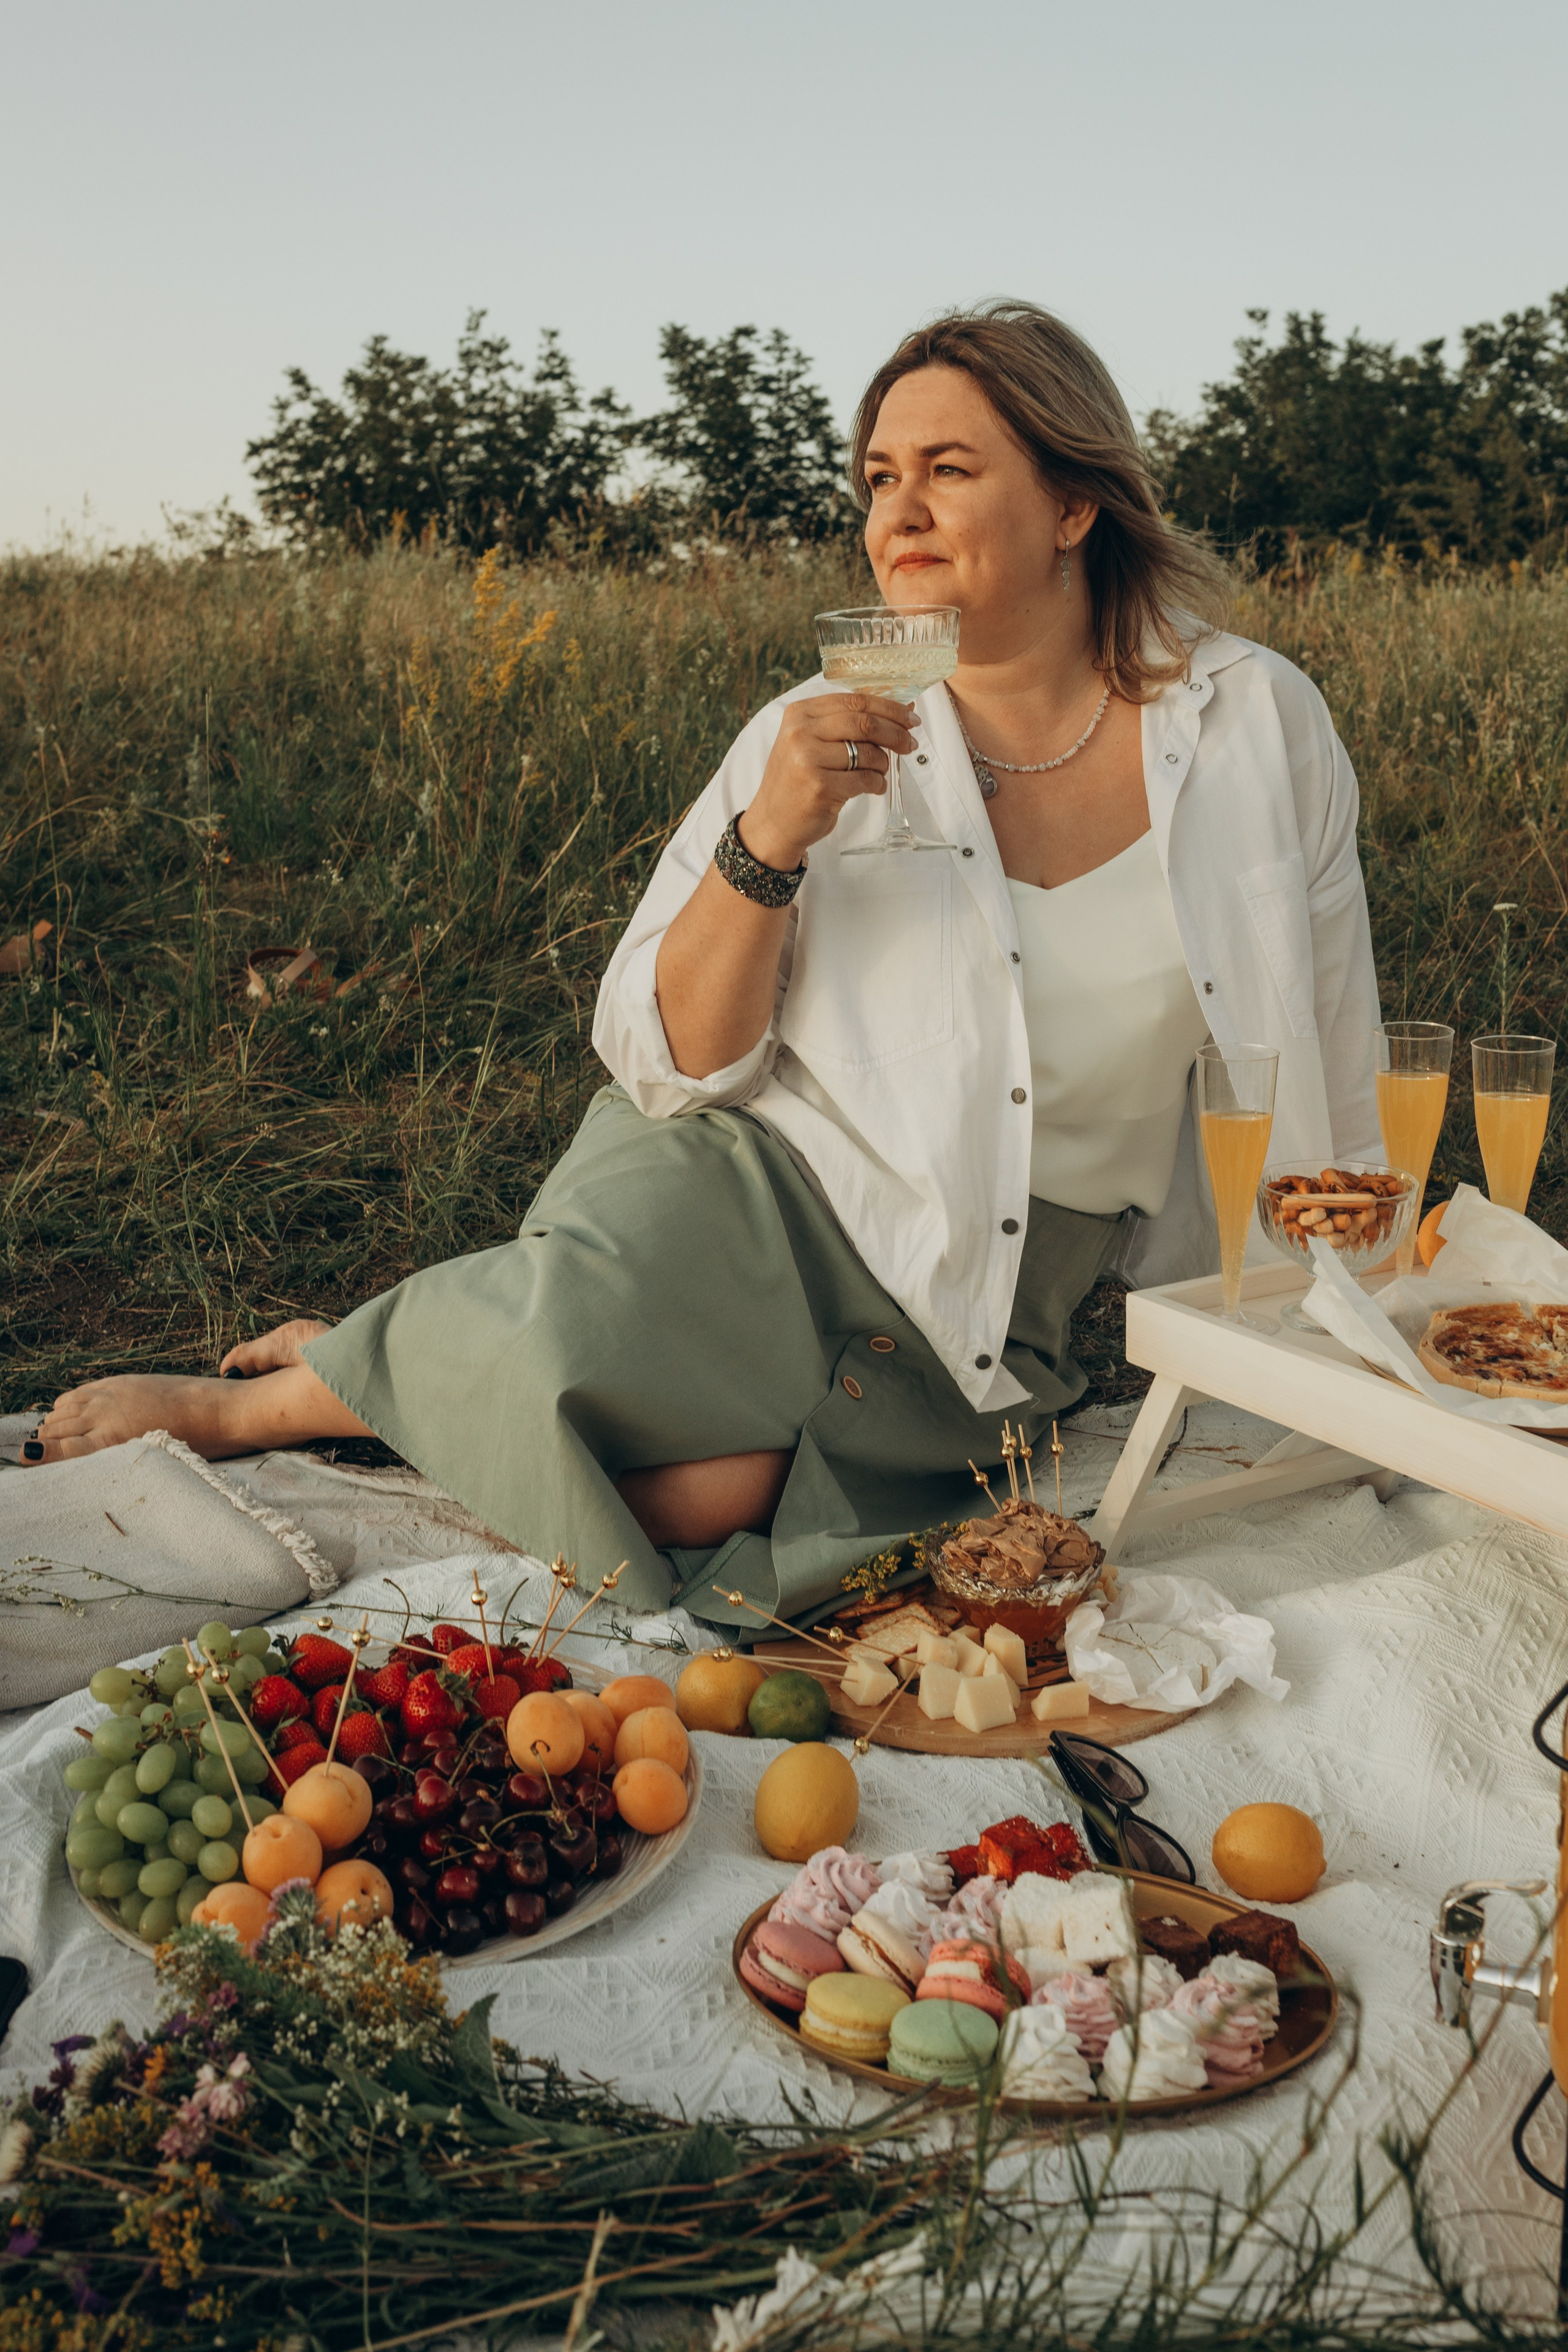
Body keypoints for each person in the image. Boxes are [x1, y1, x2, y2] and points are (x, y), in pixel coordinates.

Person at [24, 300, 1382, 1632]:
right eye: (878, 478)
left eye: (948, 470)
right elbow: (674, 1060)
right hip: (761, 1178)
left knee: (712, 1503)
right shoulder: (810, 734)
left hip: (1006, 1265)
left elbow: (1330, 1037)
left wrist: (1346, 1319)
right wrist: (769, 839)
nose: (897, 514)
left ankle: (408, 1366)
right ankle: (266, 1404)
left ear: (1074, 504)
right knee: (591, 1364)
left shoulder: (1254, 724)